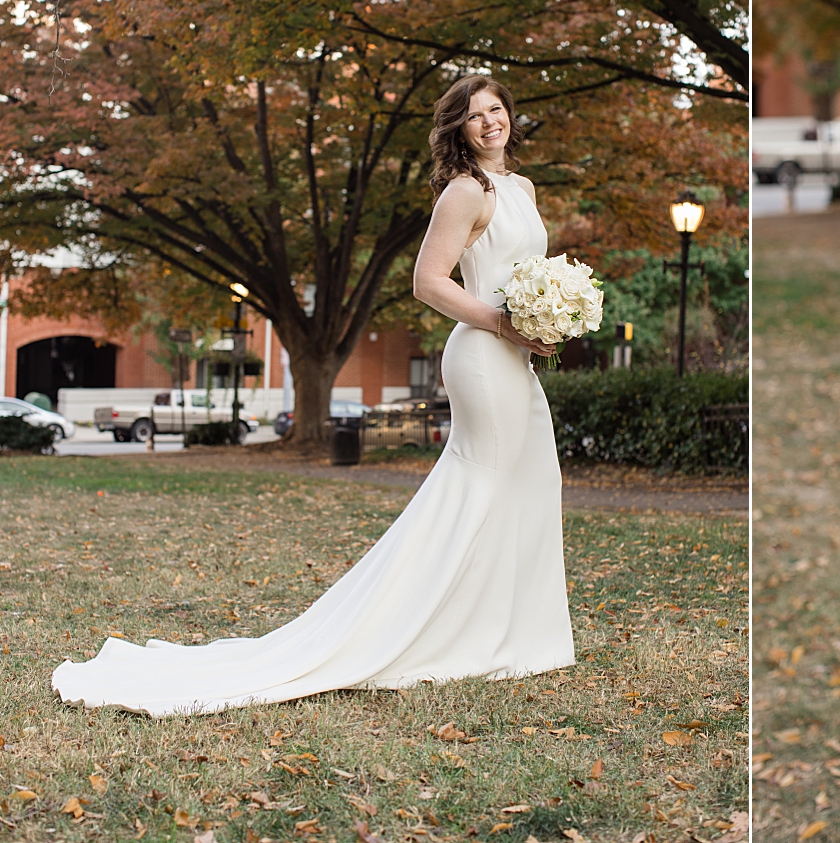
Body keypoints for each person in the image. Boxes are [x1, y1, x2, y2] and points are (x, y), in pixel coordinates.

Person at [52, 75, 574, 715]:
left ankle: (521, 635)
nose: (490, 122)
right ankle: (446, 632)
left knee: (531, 482)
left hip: (516, 358)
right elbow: (426, 282)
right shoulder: (467, 192)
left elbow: (525, 277)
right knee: (482, 489)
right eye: (474, 115)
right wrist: (500, 321)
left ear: (510, 117)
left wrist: (547, 319)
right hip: (483, 356)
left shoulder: (521, 188)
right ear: (458, 130)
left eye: (497, 109)